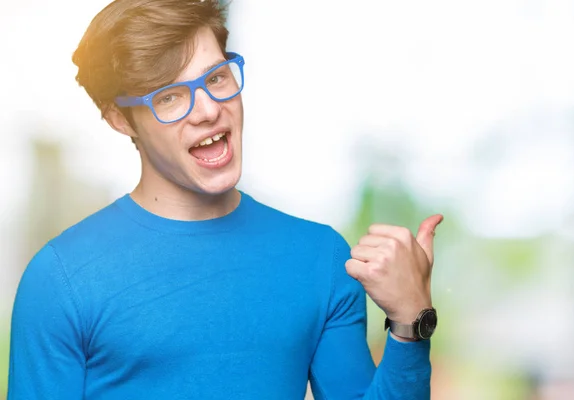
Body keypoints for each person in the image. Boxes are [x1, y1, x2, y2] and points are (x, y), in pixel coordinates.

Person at [7, 0, 443, 398]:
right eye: (170, 96)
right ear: (121, 119)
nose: (208, 110)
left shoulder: (321, 258)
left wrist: (410, 323)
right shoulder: (61, 279)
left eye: (216, 78)